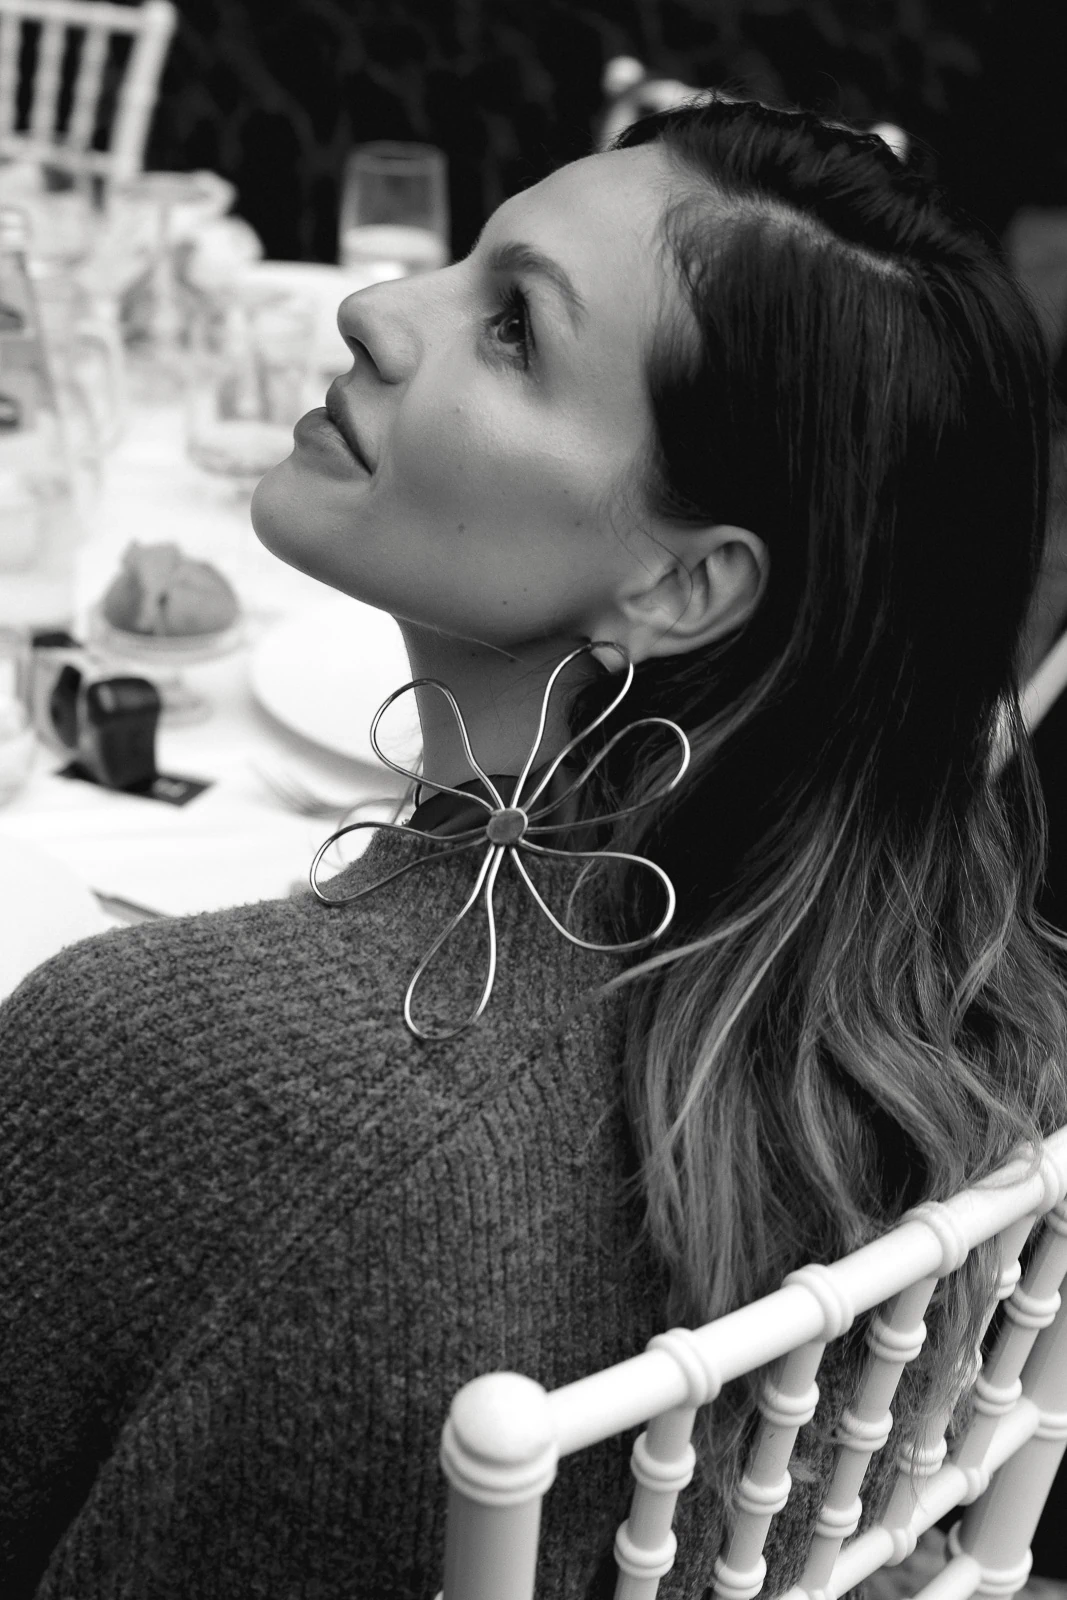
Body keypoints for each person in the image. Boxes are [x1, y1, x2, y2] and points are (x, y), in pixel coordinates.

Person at [3, 95, 1067, 1600]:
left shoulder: (188, 1073)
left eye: (512, 330)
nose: (374, 308)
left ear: (682, 586)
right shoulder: (957, 1026)